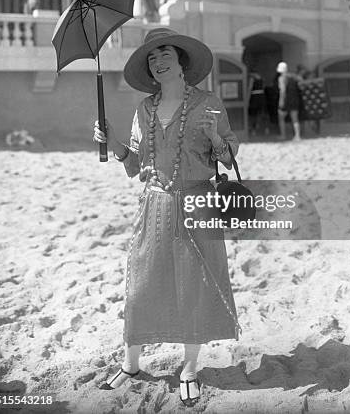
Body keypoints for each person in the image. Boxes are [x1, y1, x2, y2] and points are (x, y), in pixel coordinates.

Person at [93, 27, 240, 406]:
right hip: (154, 205)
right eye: (152, 58)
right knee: (142, 282)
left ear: (181, 63)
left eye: (164, 55)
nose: (157, 63)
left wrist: (215, 137)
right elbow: (136, 163)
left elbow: (228, 157)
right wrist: (114, 145)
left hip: (197, 202)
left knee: (193, 285)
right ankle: (130, 363)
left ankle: (190, 368)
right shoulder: (145, 108)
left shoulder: (209, 103)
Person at [274, 61, 301, 142]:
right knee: (295, 119)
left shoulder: (281, 78)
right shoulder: (293, 77)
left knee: (281, 118)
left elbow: (282, 90)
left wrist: (281, 101)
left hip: (286, 100)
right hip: (294, 99)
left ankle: (283, 135)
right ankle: (297, 136)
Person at [247, 71, 266, 136]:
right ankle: (263, 128)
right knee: (260, 113)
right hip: (261, 97)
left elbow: (250, 88)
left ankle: (253, 130)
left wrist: (247, 99)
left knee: (253, 114)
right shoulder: (261, 79)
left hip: (254, 98)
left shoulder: (252, 79)